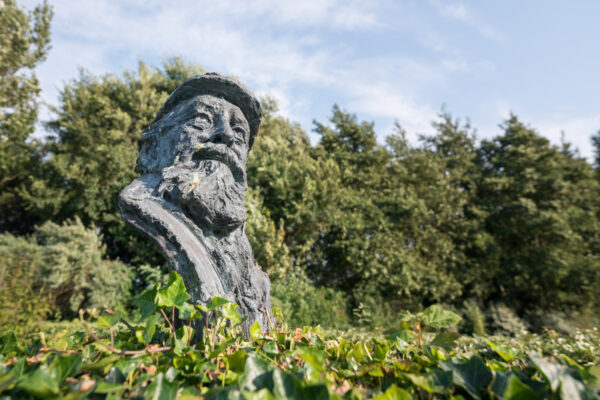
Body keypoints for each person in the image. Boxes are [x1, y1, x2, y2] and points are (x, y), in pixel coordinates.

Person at [120, 73, 272, 335]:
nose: (226, 135)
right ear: (151, 149)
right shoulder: (145, 205)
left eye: (239, 131)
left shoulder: (252, 265)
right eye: (201, 120)